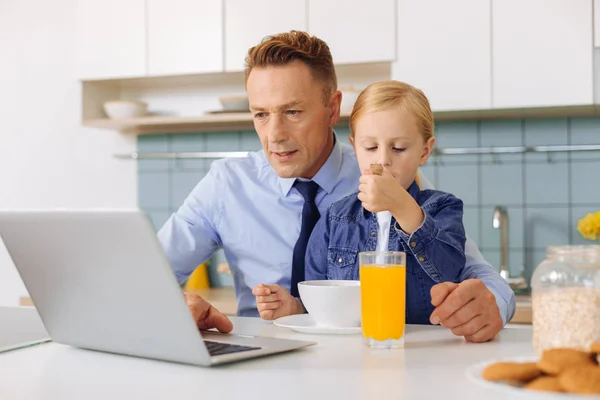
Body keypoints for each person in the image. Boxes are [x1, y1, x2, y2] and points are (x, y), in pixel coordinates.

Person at [158, 30, 515, 342]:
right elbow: (148, 273)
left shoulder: (386, 176)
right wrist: (175, 306)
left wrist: (492, 304)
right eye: (261, 115)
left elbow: (468, 266)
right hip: (263, 368)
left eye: (293, 112)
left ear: (332, 109)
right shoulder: (226, 185)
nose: (274, 136)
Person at [255, 79, 469, 325]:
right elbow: (321, 298)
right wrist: (295, 308)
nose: (382, 160)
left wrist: (402, 206)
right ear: (355, 147)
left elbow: (450, 271)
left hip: (420, 352)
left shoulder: (443, 209)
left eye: (398, 148)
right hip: (349, 353)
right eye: (370, 147)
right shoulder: (335, 219)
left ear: (424, 151)